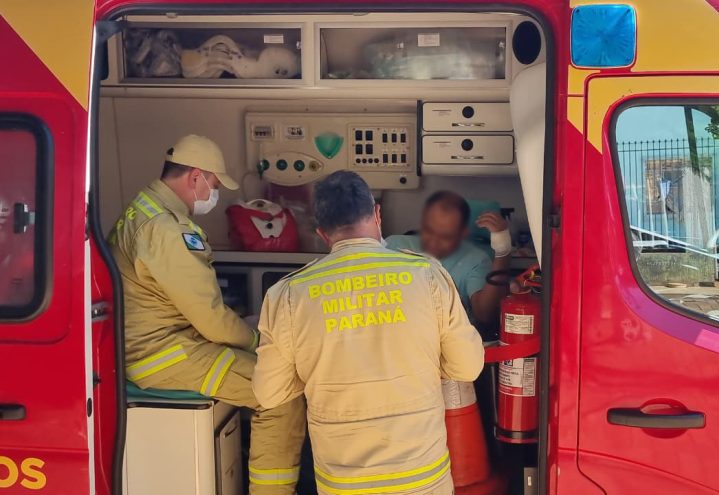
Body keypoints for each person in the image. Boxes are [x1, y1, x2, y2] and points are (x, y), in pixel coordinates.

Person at [253, 170, 484, 495]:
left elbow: (269, 393)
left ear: (322, 233)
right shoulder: (427, 275)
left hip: (343, 484)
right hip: (422, 478)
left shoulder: (288, 295)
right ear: (377, 214)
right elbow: (468, 367)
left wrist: (312, 372)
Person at [109, 134, 304, 495]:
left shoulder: (140, 211)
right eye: (213, 185)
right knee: (282, 392)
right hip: (165, 355)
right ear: (195, 176)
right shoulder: (166, 229)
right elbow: (211, 319)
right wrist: (260, 341)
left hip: (153, 349)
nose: (214, 194)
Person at [385, 191, 512, 326]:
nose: (434, 241)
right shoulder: (394, 246)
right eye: (429, 230)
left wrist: (502, 251)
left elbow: (484, 315)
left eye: (445, 236)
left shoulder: (475, 260)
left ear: (462, 233)